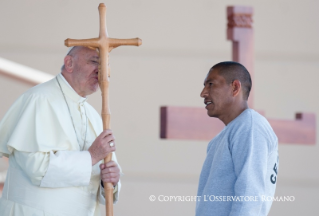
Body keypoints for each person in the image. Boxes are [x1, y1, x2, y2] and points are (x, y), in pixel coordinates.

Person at [0, 46, 121, 216]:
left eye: (105, 65)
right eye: (94, 62)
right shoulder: (39, 100)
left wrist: (110, 181)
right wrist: (91, 157)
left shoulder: (94, 115)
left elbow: (102, 188)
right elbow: (37, 169)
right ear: (69, 63)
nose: (100, 71)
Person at [196, 61, 279, 216]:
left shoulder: (250, 126)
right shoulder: (224, 136)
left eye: (211, 84)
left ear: (235, 87)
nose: (203, 93)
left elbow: (250, 194)